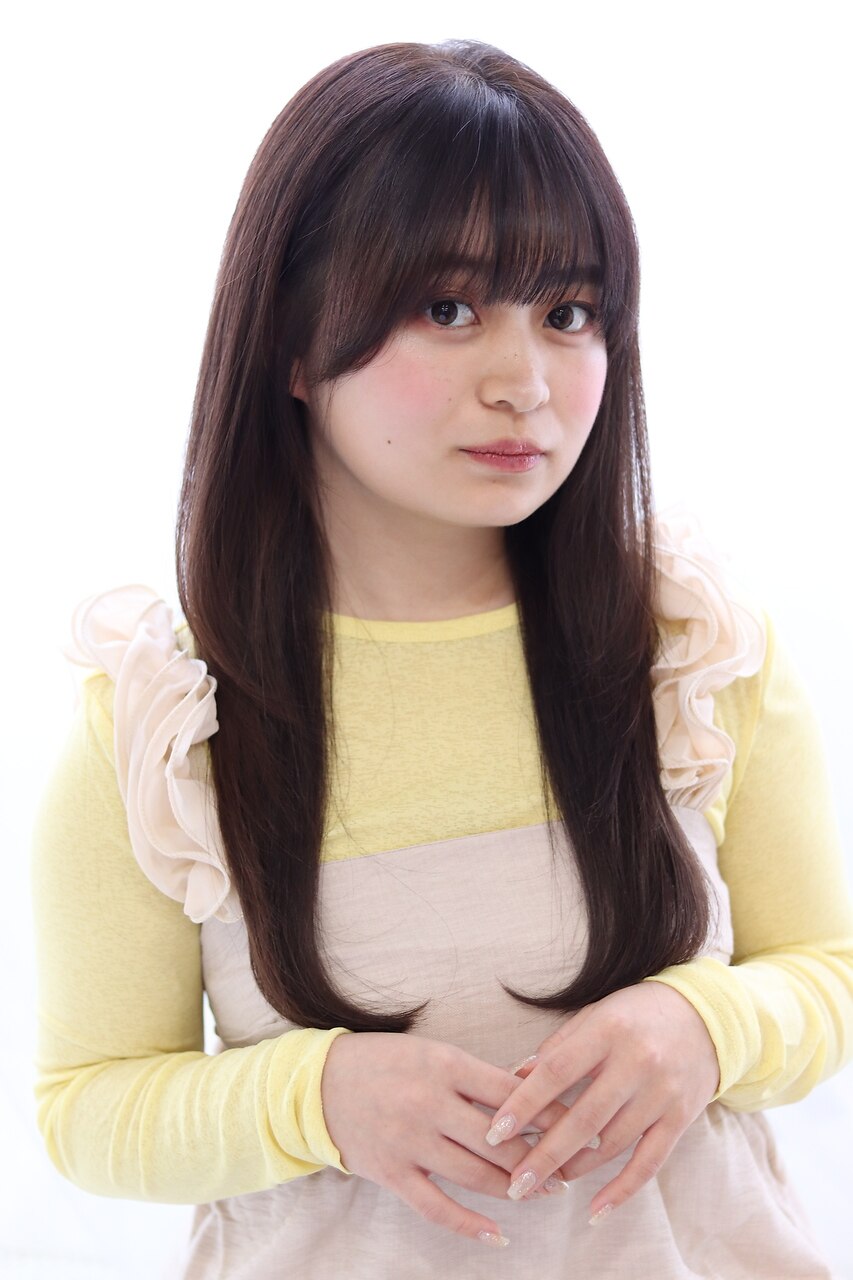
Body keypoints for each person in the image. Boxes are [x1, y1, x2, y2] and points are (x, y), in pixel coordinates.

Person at [31, 38, 853, 1280]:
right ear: (292, 340)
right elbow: (86, 1105)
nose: (524, 381)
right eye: (449, 309)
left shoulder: (689, 651)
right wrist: (316, 1095)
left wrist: (706, 1022)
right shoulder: (167, 717)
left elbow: (827, 974)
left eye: (568, 313)